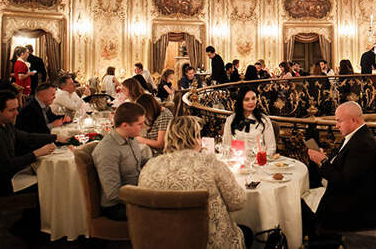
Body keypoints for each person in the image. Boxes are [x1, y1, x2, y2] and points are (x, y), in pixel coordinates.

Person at [139, 116, 252, 249]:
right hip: (207, 242)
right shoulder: (211, 163)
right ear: (197, 137)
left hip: (162, 240)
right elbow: (238, 202)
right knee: (247, 232)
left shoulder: (150, 166)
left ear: (168, 138)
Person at [0, 90, 69, 197]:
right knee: (52, 183)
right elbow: (7, 166)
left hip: (8, 177)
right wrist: (36, 153)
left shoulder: (4, 124)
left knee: (50, 176)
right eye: (12, 110)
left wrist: (56, 137)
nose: (17, 113)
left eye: (17, 109)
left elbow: (28, 137)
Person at [306, 101, 376, 232]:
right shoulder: (356, 135)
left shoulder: (363, 144)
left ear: (353, 120)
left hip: (350, 207)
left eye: (339, 121)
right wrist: (323, 159)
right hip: (342, 194)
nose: (336, 126)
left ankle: (318, 237)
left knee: (297, 204)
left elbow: (344, 181)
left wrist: (322, 161)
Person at [92, 102, 151, 221]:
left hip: (137, 192)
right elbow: (113, 193)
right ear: (125, 125)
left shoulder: (131, 138)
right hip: (117, 207)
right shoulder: (107, 150)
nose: (144, 126)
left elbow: (140, 162)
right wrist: (146, 197)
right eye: (140, 124)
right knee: (164, 209)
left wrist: (162, 162)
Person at [223, 86, 277, 155]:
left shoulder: (264, 120)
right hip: (237, 159)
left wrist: (261, 157)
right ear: (241, 101)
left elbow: (271, 148)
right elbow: (226, 145)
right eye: (247, 99)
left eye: (253, 98)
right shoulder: (230, 120)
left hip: (258, 159)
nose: (251, 102)